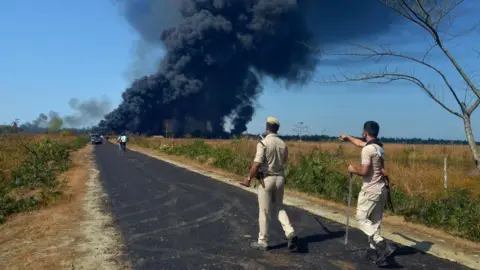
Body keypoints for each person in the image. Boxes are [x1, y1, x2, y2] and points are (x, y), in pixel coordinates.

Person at [340, 121, 396, 264]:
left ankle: (381, 244)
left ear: (365, 132)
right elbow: (360, 143)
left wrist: (353, 169)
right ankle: (373, 251)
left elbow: (364, 171)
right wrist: (348, 137)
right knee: (375, 221)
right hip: (381, 189)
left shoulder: (367, 150)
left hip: (370, 190)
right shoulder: (379, 148)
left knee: (361, 218)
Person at [241, 117, 298, 251]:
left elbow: (257, 163)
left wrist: (249, 178)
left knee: (264, 211)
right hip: (280, 179)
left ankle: (263, 241)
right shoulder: (283, 144)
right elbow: (283, 161)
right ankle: (290, 232)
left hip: (266, 179)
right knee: (279, 207)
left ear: (267, 126)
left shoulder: (263, 143)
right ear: (277, 128)